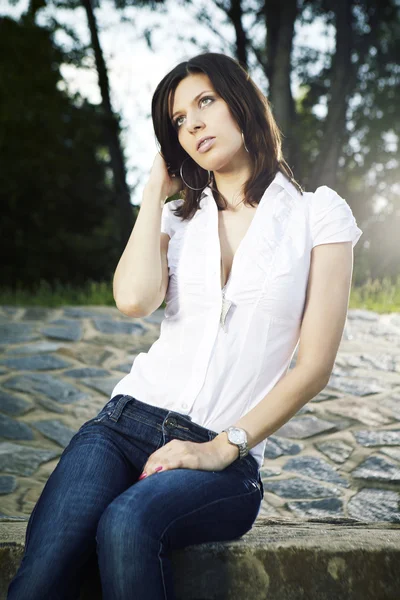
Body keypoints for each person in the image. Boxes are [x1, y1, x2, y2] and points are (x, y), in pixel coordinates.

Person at [7, 52, 363, 599]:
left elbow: (314, 366)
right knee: (42, 576)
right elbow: (132, 300)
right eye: (178, 120)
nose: (192, 123)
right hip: (122, 425)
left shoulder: (319, 216)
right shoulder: (178, 218)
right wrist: (154, 192)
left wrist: (221, 448)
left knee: (126, 524)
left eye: (205, 102)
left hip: (225, 460)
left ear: (242, 103)